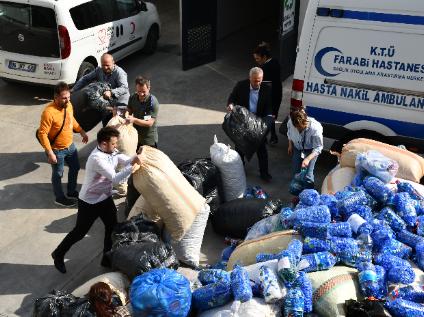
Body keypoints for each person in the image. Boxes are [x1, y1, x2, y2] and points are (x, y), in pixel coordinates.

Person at [51, 127, 141, 273]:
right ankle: (58, 254)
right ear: (104, 144)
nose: (116, 146)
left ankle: (107, 259)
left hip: (104, 197)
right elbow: (116, 178)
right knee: (79, 232)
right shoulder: (96, 159)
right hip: (89, 202)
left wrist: (133, 159)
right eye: (114, 143)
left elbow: (122, 159)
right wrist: (133, 167)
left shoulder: (110, 151)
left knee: (112, 228)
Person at [38, 82, 88, 207]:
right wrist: (50, 153)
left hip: (70, 146)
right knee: (58, 174)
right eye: (64, 98)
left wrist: (81, 131)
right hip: (56, 150)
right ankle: (59, 197)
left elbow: (71, 119)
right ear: (56, 97)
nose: (68, 100)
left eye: (69, 97)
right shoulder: (49, 112)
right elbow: (42, 134)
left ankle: (71, 192)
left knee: (75, 167)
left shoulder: (69, 105)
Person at [227, 67, 273, 182]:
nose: (257, 83)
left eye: (259, 80)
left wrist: (268, 118)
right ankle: (239, 169)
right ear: (249, 78)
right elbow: (232, 97)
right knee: (240, 147)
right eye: (254, 80)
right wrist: (231, 104)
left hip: (258, 122)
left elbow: (269, 108)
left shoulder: (266, 89)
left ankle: (264, 173)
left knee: (261, 149)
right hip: (243, 121)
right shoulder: (241, 85)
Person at [72, 53, 130, 126]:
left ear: (113, 63)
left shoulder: (120, 73)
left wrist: (111, 92)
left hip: (120, 104)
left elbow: (124, 88)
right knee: (106, 124)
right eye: (103, 65)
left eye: (107, 65)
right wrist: (74, 89)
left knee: (118, 126)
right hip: (107, 104)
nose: (105, 67)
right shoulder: (99, 70)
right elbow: (85, 79)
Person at [253, 42, 282, 145]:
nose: (256, 61)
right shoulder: (275, 62)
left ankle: (267, 137)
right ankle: (272, 136)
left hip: (270, 96)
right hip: (277, 94)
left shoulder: (264, 69)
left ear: (264, 57)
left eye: (257, 59)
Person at [287, 108, 323, 188]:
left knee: (308, 175)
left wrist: (307, 159)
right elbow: (289, 132)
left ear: (305, 122)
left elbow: (318, 147)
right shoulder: (291, 122)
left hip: (310, 150)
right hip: (297, 147)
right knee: (296, 171)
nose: (299, 130)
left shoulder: (315, 128)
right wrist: (290, 145)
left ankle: (310, 194)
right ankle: (299, 193)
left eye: (301, 128)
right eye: (296, 128)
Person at [126, 76, 159, 149]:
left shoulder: (153, 103)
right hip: (136, 137)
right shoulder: (132, 97)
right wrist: (123, 113)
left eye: (144, 91)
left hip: (148, 141)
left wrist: (134, 120)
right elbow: (129, 110)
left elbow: (149, 123)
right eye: (139, 91)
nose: (141, 94)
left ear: (149, 88)